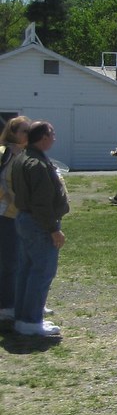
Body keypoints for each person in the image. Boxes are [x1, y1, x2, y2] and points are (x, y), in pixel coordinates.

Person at [10, 120, 69, 337]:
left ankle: (23, 318)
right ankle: (31, 320)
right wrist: (54, 229)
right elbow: (41, 203)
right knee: (42, 271)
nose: (54, 138)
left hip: (24, 219)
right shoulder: (37, 164)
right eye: (52, 134)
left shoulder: (22, 158)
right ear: (43, 137)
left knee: (26, 269)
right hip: (39, 224)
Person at [0, 116, 30, 322]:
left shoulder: (27, 154)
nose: (28, 135)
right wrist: (9, 197)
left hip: (23, 214)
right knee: (9, 261)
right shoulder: (4, 153)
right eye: (24, 131)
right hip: (6, 213)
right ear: (12, 133)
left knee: (24, 259)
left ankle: (24, 301)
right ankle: (6, 306)